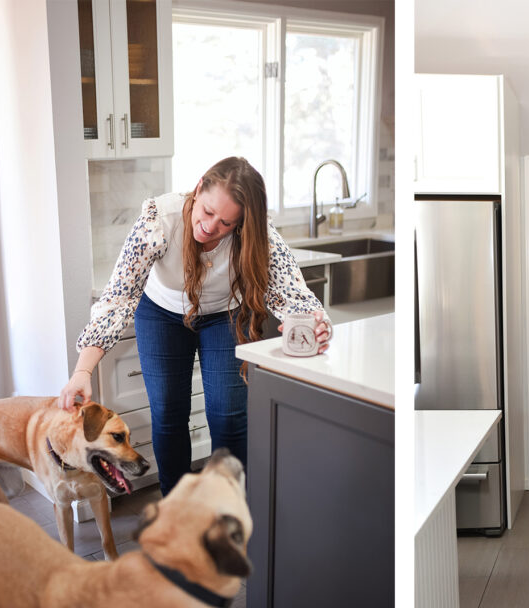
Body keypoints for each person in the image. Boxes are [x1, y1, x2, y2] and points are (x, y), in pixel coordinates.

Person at [58, 156, 332, 495]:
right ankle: (176, 509)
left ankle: (228, 506)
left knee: (228, 415)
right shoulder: (159, 222)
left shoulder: (258, 234)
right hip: (161, 314)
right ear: (199, 187)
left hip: (225, 315)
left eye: (226, 223)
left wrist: (316, 325)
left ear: (242, 223)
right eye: (207, 211)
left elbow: (293, 294)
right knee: (169, 415)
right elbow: (118, 299)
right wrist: (82, 371)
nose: (210, 226)